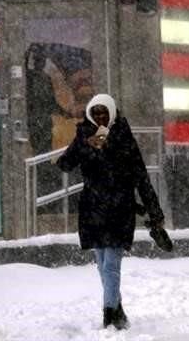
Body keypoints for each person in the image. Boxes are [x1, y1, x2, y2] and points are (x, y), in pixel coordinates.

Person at [57, 93, 164, 330]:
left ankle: (108, 314)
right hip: (94, 209)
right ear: (89, 115)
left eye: (104, 112)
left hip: (119, 208)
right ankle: (118, 310)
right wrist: (86, 145)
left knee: (111, 265)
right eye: (95, 113)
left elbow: (140, 176)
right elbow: (65, 164)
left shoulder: (123, 136)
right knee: (102, 263)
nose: (100, 117)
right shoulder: (85, 133)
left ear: (113, 112)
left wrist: (155, 211)